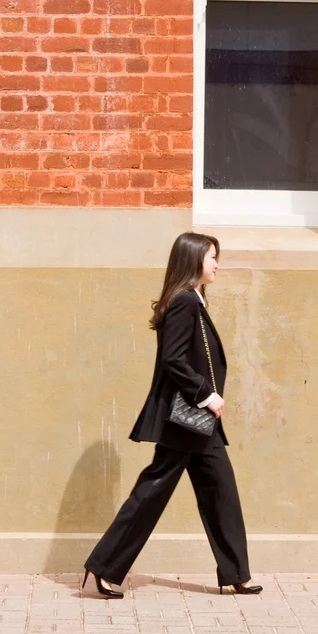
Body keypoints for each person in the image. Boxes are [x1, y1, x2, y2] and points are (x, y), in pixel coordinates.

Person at [81, 232, 262, 598]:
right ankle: (104, 568)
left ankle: (236, 573)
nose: (216, 263)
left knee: (221, 492)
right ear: (193, 259)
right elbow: (173, 359)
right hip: (187, 420)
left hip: (199, 425)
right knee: (153, 492)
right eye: (212, 256)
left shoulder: (193, 300)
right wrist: (205, 395)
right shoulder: (184, 303)